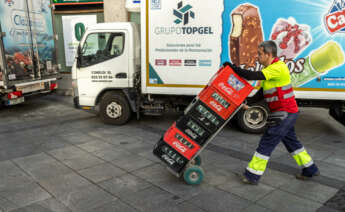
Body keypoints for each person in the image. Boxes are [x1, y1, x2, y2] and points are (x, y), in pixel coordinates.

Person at [224, 40, 319, 185]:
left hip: (285, 113)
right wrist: (247, 103)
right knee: (292, 143)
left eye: (260, 54)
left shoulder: (278, 67)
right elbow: (261, 93)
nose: (257, 57)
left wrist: (232, 68)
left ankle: (252, 175)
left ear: (268, 54)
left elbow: (251, 75)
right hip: (285, 113)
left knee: (267, 142)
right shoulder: (270, 71)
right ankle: (310, 169)